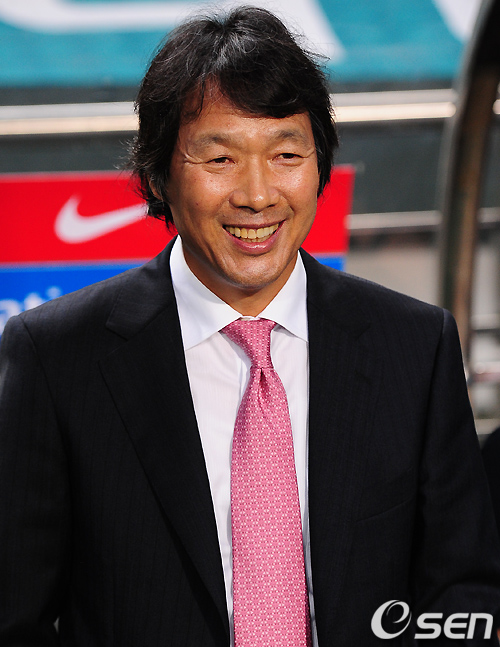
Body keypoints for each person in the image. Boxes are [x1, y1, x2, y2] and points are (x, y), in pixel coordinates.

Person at [1, 7, 500, 646]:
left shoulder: (415, 346)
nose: (258, 194)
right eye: (220, 159)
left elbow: (463, 590)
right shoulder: (56, 357)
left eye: (287, 154)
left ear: (320, 164)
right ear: (157, 174)